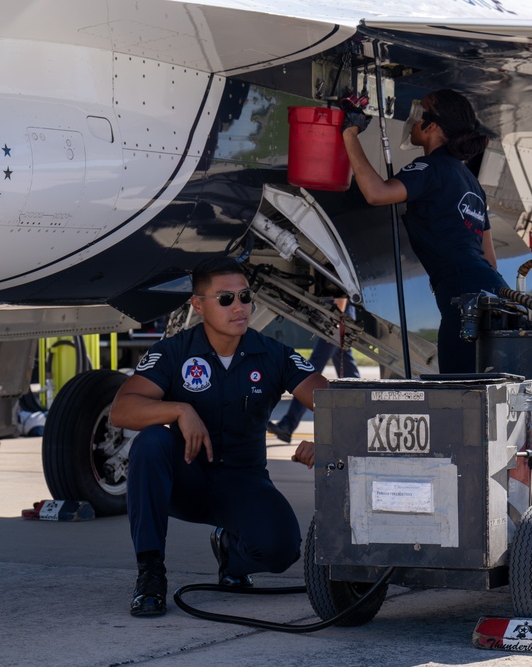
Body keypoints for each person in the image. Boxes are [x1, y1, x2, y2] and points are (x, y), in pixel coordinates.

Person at [110, 257, 325, 617]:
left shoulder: (273, 355)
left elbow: (339, 403)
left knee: (282, 550)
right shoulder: (174, 352)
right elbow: (122, 409)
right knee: (151, 442)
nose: (239, 307)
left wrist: (329, 438)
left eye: (245, 296)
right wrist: (179, 410)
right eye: (225, 299)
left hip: (244, 480)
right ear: (198, 305)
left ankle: (231, 553)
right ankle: (150, 573)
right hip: (186, 479)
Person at [342, 89, 507, 373]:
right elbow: (489, 258)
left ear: (432, 126)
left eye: (419, 115)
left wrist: (350, 134)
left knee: (460, 391)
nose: (413, 121)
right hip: (493, 290)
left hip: (461, 296)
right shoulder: (470, 181)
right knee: (486, 388)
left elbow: (376, 193)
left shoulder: (431, 168)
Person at [266, 297, 359, 444]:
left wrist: (336, 319)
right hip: (338, 319)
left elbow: (341, 293)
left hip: (337, 321)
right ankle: (364, 417)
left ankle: (288, 425)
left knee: (311, 371)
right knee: (349, 372)